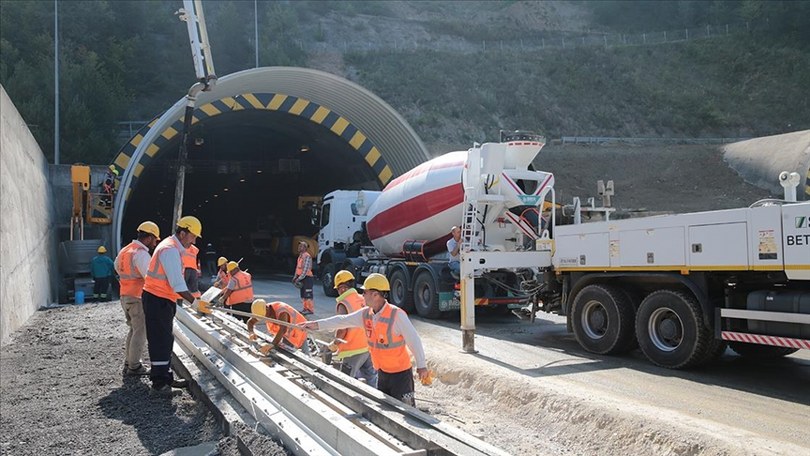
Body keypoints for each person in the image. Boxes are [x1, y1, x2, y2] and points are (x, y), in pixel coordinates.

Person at [302, 273, 429, 406]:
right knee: (387, 412)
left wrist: (421, 366)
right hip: (383, 373)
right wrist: (315, 325)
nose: (362, 295)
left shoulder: (396, 315)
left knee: (408, 413)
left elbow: (414, 340)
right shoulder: (366, 314)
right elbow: (342, 321)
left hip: (401, 376)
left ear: (375, 294)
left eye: (365, 292)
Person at [142, 215, 203, 394]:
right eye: (192, 236)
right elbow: (177, 283)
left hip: (161, 299)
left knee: (165, 339)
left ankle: (165, 378)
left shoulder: (173, 247)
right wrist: (195, 303)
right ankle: (159, 384)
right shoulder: (169, 250)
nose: (194, 241)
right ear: (183, 233)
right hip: (157, 300)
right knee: (160, 340)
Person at [114, 221, 160, 376]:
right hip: (137, 298)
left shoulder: (125, 250)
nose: (155, 243)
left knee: (133, 330)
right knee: (141, 332)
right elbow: (150, 277)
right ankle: (134, 366)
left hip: (125, 296)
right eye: (155, 239)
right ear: (148, 238)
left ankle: (129, 362)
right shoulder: (140, 254)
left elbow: (117, 268)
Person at [329, 270, 377, 387]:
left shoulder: (344, 303)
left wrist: (335, 342)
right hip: (368, 346)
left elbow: (342, 328)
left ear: (342, 288)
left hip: (352, 349)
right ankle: (374, 403)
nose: (338, 292)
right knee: (371, 379)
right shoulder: (363, 298)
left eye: (338, 289)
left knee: (345, 381)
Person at [293, 240, 315, 315]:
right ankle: (305, 308)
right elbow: (297, 268)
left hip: (307, 278)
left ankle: (310, 309)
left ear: (305, 248)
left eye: (301, 246)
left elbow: (305, 270)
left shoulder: (307, 256)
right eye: (299, 246)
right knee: (303, 294)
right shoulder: (300, 256)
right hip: (302, 278)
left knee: (308, 294)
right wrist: (295, 276)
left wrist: (298, 278)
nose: (299, 247)